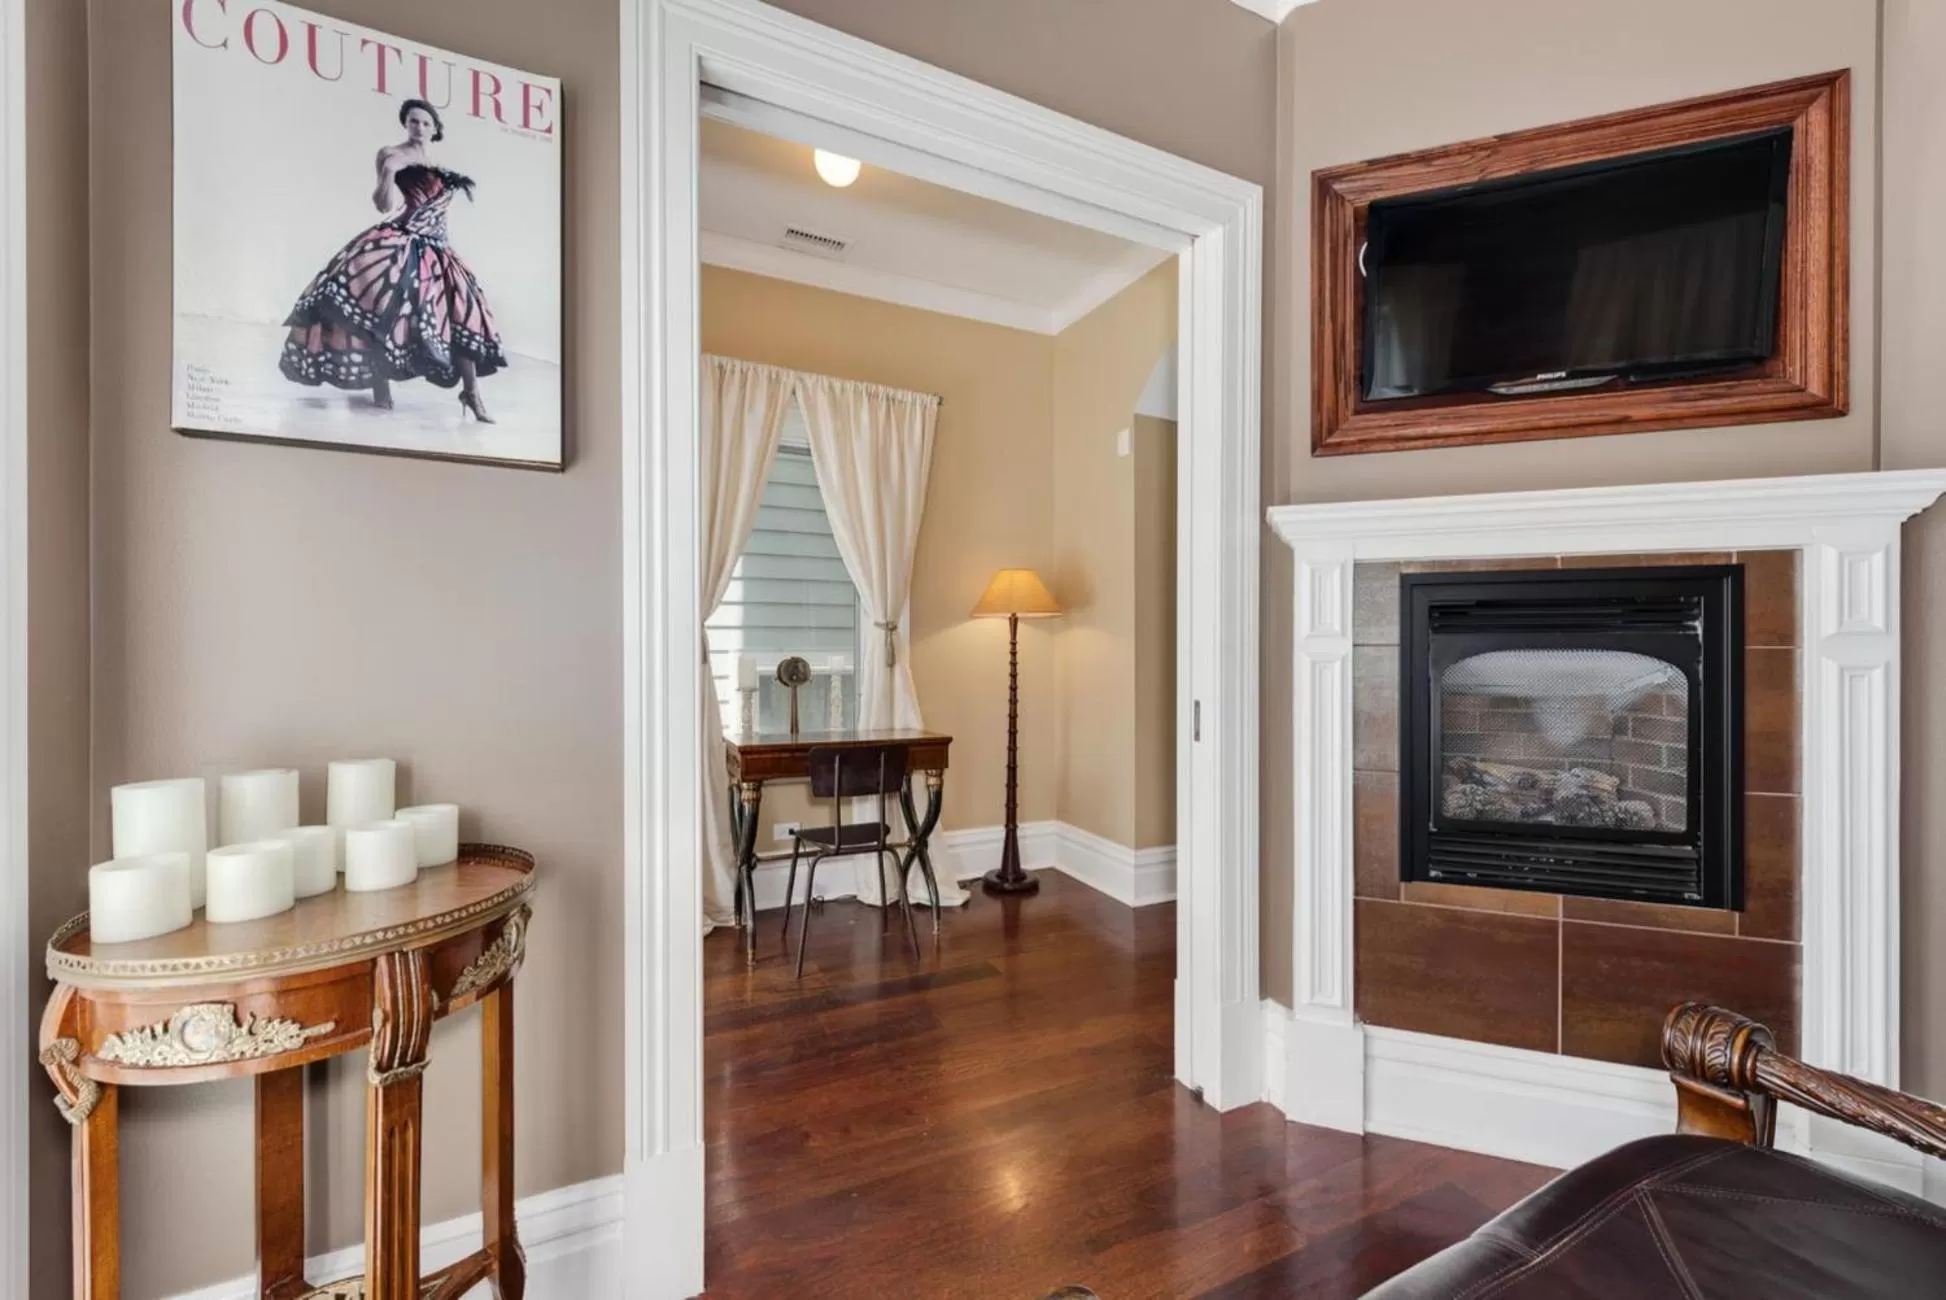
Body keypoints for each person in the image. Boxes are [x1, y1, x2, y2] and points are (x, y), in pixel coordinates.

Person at [279, 98, 506, 423]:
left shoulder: (440, 162)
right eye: (413, 121)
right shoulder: (391, 155)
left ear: (435, 129)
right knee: (380, 306)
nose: (419, 128)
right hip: (401, 239)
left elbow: (443, 212)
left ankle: (471, 393)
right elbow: (383, 205)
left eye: (426, 123)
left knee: (461, 311)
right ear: (406, 123)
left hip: (437, 246)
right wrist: (388, 173)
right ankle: (380, 389)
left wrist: (446, 249)